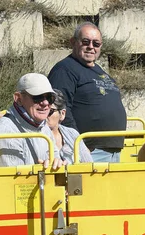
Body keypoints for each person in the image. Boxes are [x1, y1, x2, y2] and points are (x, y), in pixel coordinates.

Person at [48, 22, 127, 163]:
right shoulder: (65, 70)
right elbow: (60, 109)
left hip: (112, 152)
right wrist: (78, 145)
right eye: (85, 42)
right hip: (88, 152)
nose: (91, 47)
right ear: (73, 42)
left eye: (96, 44)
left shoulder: (99, 71)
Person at [0, 73, 63, 169]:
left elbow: (55, 159)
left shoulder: (43, 126)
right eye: (38, 97)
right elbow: (14, 181)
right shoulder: (4, 130)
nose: (45, 103)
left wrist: (56, 164)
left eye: (50, 98)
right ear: (18, 99)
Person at [46, 90, 93, 164]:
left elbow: (88, 164)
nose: (44, 114)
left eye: (49, 111)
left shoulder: (73, 134)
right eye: (40, 110)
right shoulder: (35, 135)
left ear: (62, 114)